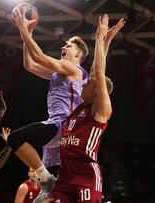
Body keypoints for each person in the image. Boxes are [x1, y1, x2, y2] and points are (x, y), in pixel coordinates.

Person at [10, 6, 89, 203]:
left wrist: (22, 29)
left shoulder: (74, 69)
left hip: (63, 125)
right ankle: (50, 184)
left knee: (16, 138)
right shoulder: (60, 72)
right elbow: (29, 64)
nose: (64, 47)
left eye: (68, 46)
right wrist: (27, 32)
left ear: (78, 54)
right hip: (58, 126)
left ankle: (46, 181)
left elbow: (39, 57)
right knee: (64, 185)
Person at [49, 15, 125, 203]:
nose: (83, 84)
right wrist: (106, 42)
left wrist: (99, 38)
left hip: (85, 175)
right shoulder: (82, 106)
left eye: (88, 83)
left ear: (98, 91)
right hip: (65, 174)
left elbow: (98, 72)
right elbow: (95, 71)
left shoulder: (100, 110)